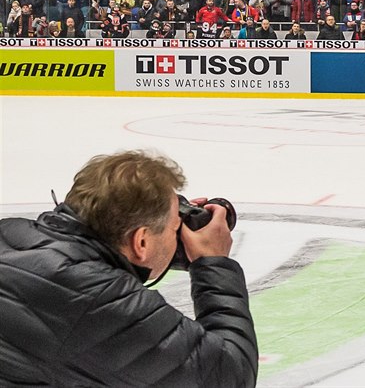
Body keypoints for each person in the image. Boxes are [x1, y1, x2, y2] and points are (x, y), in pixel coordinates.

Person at [0, 151, 258, 385]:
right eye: (174, 227)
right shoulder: (100, 298)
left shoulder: (8, 233)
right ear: (141, 241)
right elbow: (230, 375)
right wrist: (213, 264)